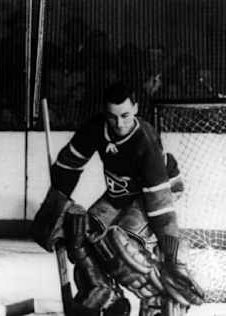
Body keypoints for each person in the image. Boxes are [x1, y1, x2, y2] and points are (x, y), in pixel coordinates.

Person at [32, 82, 204, 316]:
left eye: (125, 115)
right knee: (83, 231)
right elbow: (68, 165)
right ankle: (105, 293)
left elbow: (160, 207)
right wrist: (55, 205)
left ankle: (156, 300)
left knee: (119, 243)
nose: (119, 124)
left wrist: (172, 256)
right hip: (121, 193)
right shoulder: (96, 128)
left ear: (135, 108)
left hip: (156, 190)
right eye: (113, 117)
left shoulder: (145, 141)